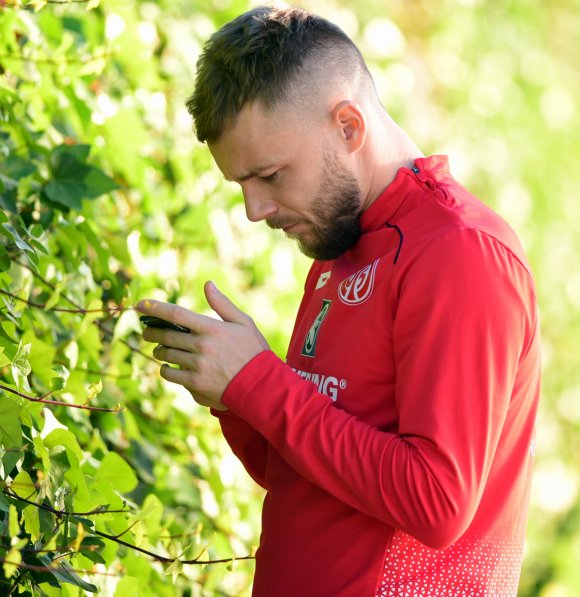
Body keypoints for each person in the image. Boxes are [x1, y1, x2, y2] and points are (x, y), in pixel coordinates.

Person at [137, 6, 541, 596]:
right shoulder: (343, 246)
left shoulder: (459, 253)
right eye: (241, 185)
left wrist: (259, 383)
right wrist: (232, 394)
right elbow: (305, 477)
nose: (254, 210)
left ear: (348, 127)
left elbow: (437, 502)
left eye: (270, 175)